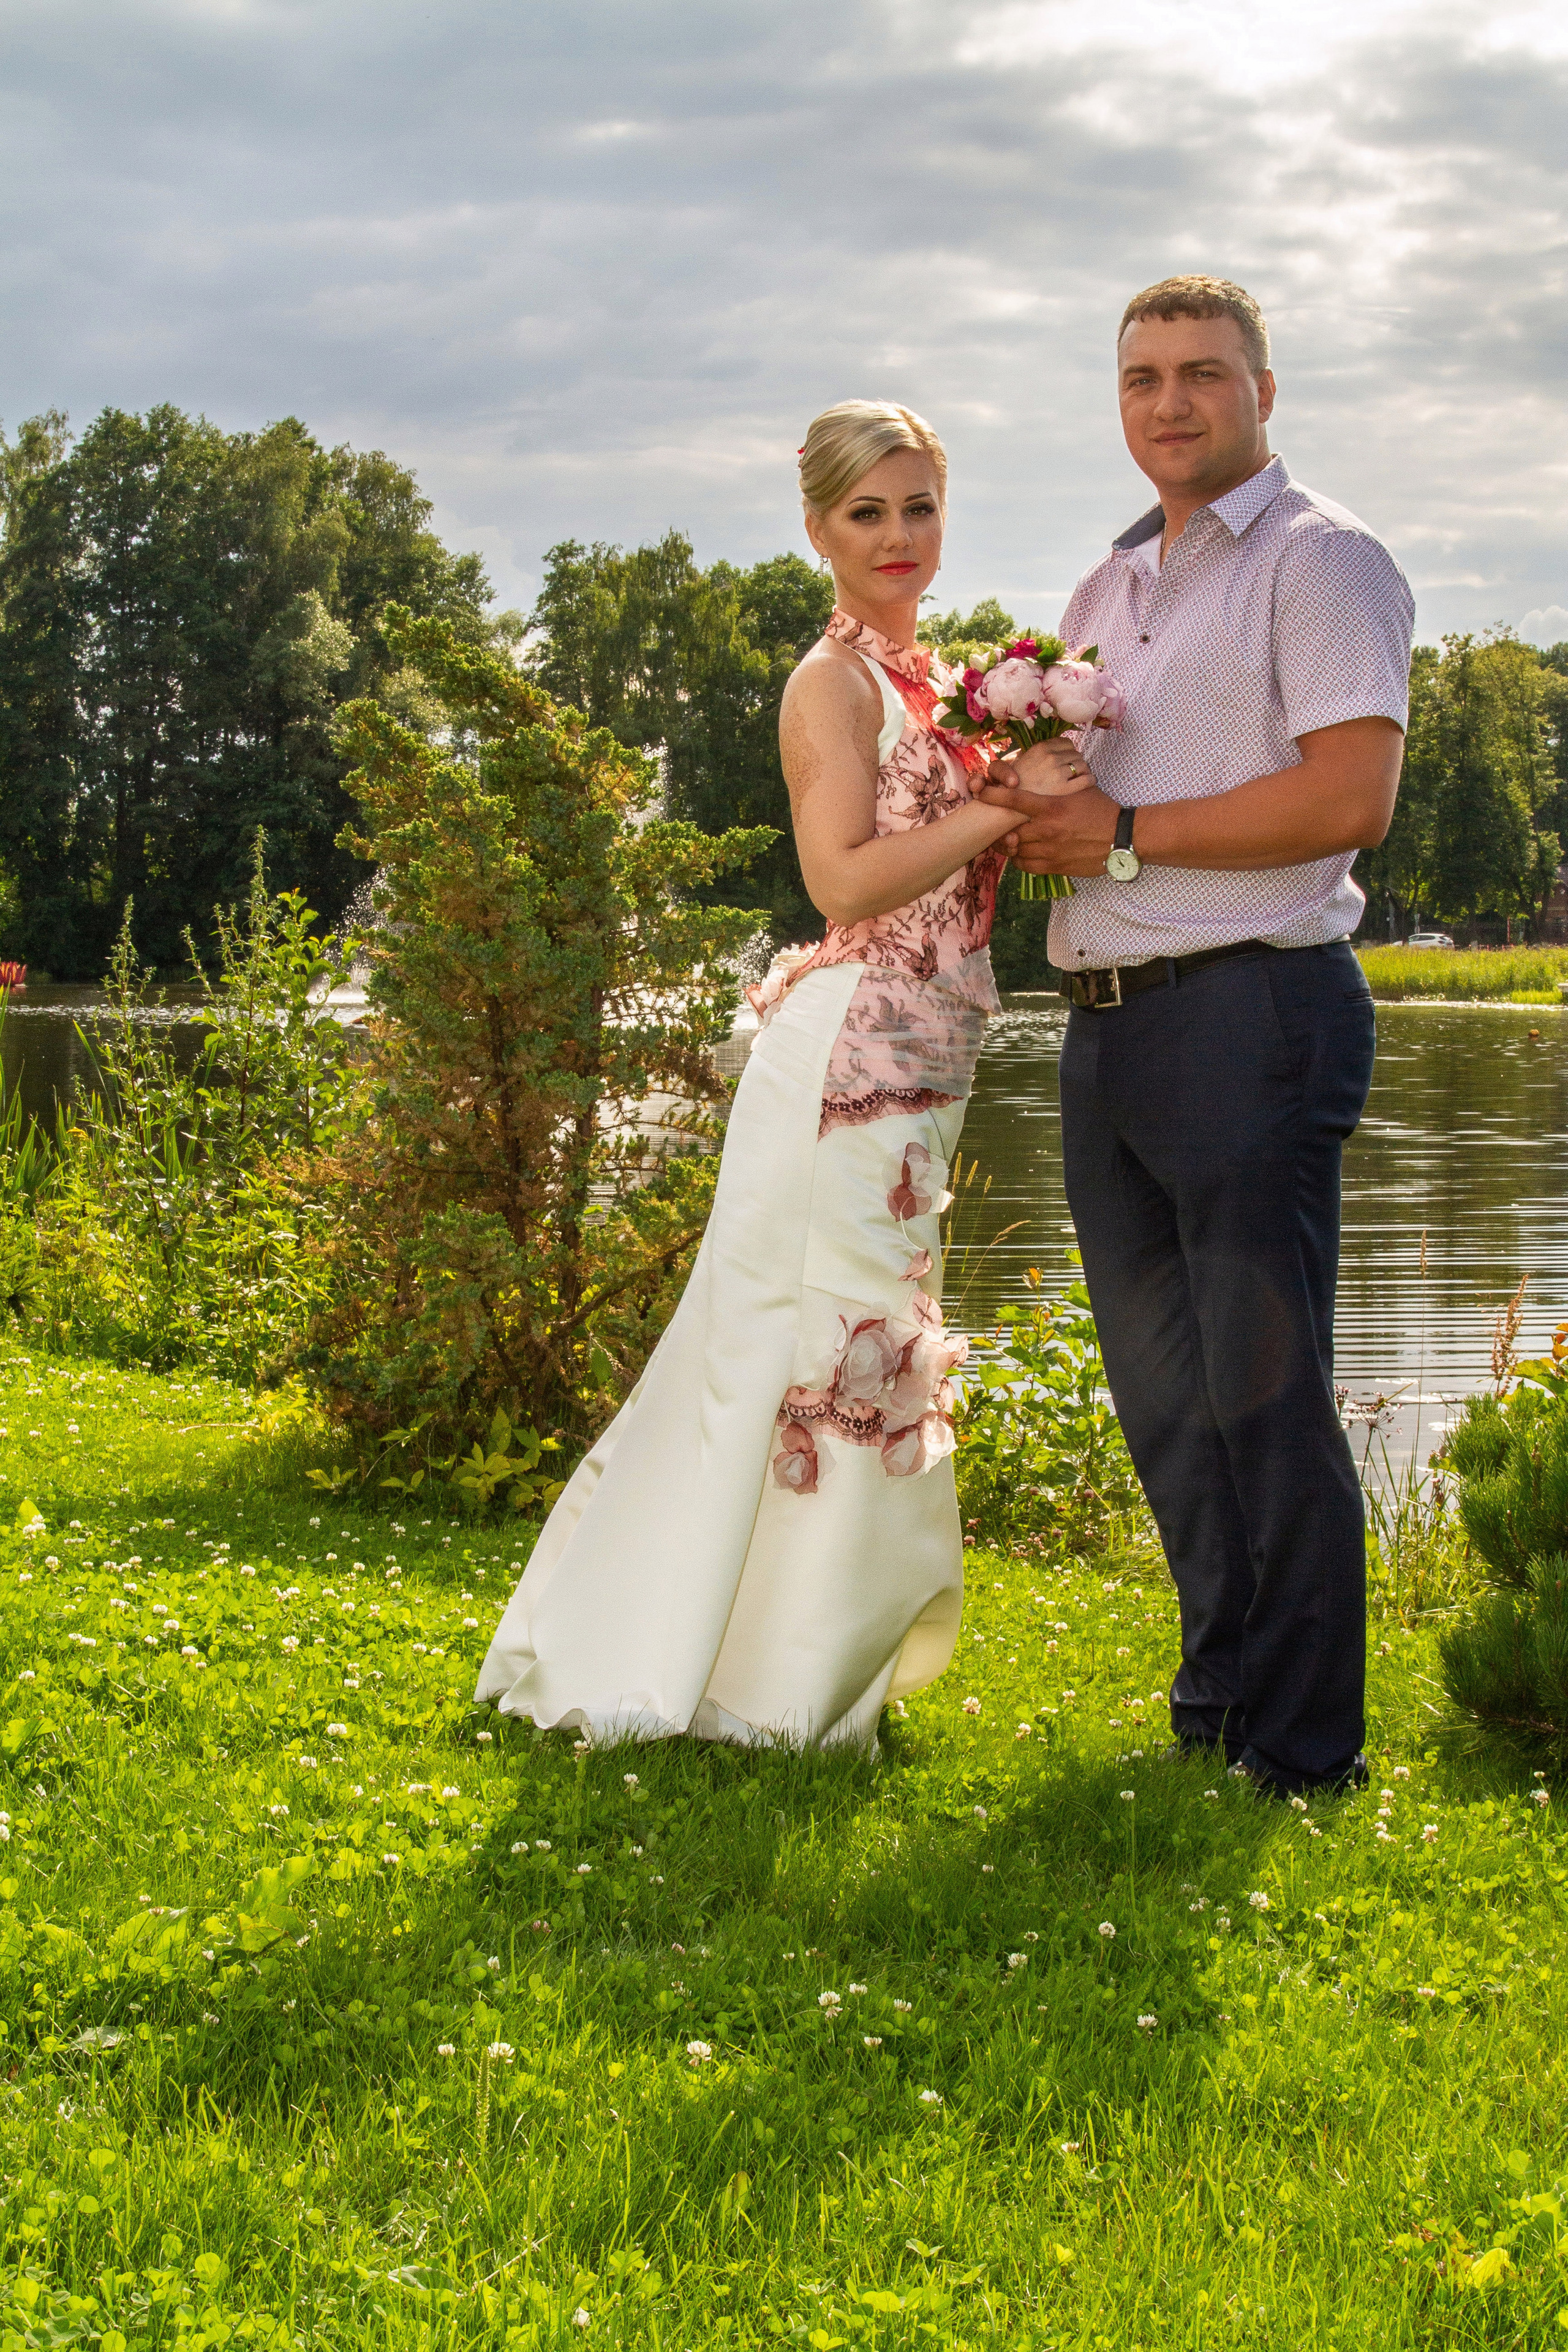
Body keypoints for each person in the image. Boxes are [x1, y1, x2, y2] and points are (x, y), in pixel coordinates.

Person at [476, 400, 1035, 1750]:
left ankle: (804, 1663)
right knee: (828, 1352)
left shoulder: (935, 682)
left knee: (862, 1347)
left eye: (918, 508)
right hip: (847, 1056)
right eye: (867, 514)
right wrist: (999, 803)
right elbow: (839, 877)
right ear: (815, 531)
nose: (897, 537)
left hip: (926, 1053)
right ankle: (770, 1686)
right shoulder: (827, 685)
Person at [980, 275, 1414, 1798]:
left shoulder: (1321, 560)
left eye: (1202, 375)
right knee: (1166, 1396)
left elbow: (1344, 798)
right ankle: (1215, 1706)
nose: (1169, 401)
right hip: (1104, 1029)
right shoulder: (1107, 590)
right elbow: (1077, 802)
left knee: (1261, 1392)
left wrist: (1114, 835)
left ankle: (1302, 1755)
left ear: (1263, 392)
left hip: (1250, 1014)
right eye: (1142, 377)